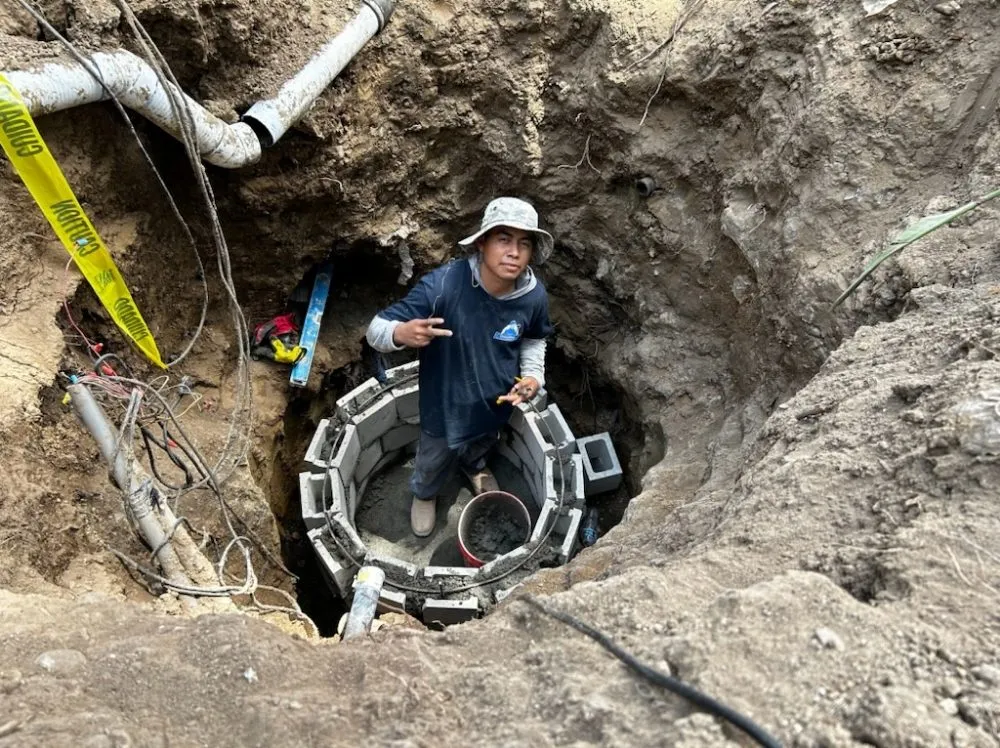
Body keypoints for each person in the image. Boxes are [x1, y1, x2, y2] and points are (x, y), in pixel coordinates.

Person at [366, 197, 554, 537]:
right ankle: (425, 493)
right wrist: (400, 333)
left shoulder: (533, 296)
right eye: (504, 239)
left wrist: (532, 376)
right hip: (444, 408)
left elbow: (533, 339)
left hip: (495, 402)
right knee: (433, 458)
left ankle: (474, 467)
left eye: (524, 243)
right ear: (482, 243)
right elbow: (375, 330)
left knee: (483, 442)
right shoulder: (444, 286)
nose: (514, 252)